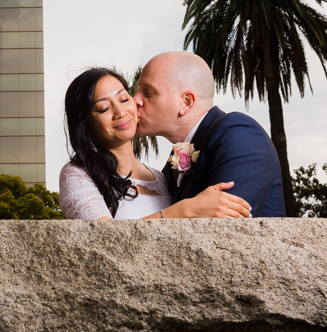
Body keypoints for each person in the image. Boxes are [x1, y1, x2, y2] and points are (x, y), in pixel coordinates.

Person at [58, 67, 252, 219]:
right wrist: (185, 210)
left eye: (124, 99)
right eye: (104, 108)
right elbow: (100, 240)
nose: (121, 112)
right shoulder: (77, 174)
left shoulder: (161, 177)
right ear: (87, 126)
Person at [134, 52, 286, 217]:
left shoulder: (240, 134)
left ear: (186, 102)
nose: (135, 99)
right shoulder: (181, 154)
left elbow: (224, 228)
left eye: (148, 92)